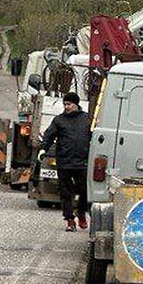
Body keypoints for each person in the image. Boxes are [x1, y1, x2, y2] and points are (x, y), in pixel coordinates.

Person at [38, 91, 92, 232]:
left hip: (82, 162)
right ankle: (69, 219)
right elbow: (49, 135)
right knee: (65, 192)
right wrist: (43, 149)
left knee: (84, 191)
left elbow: (94, 136)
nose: (66, 107)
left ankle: (81, 213)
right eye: (65, 104)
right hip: (64, 162)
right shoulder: (59, 120)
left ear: (76, 104)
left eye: (69, 104)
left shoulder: (87, 119)